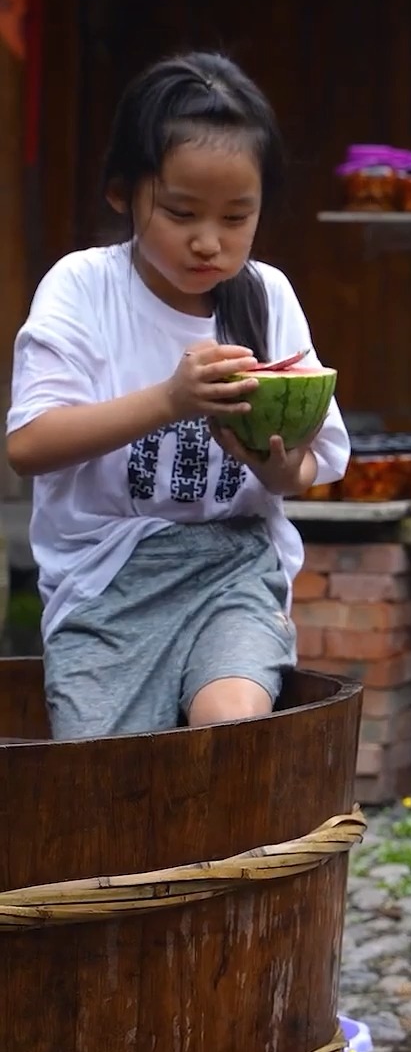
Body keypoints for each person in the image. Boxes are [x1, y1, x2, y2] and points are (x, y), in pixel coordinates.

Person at [6, 52, 349, 741]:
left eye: (236, 217)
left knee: (230, 722)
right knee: (107, 779)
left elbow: (306, 467)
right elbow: (28, 446)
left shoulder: (266, 296)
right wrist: (170, 399)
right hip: (104, 582)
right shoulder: (83, 289)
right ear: (122, 193)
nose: (208, 241)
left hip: (235, 564)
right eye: (182, 212)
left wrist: (275, 465)